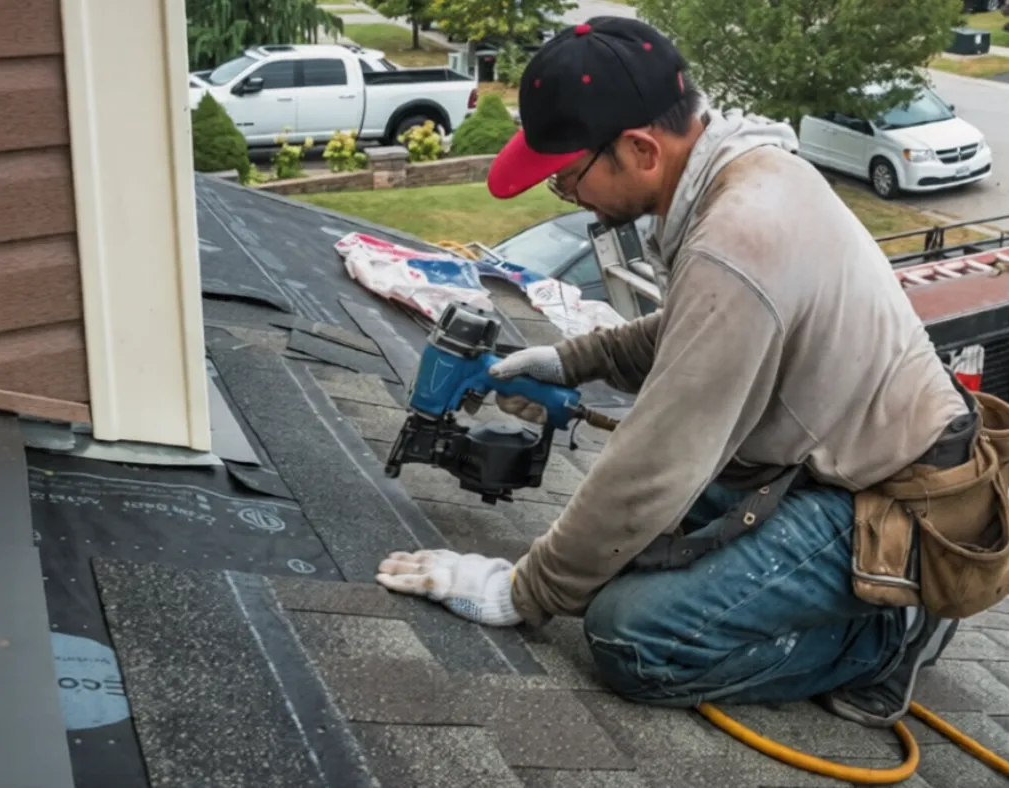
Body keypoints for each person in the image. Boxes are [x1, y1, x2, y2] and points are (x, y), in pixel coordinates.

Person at [374, 15, 976, 728]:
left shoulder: (738, 239)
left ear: (639, 149)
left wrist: (520, 593)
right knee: (620, 555)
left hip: (889, 500)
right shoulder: (743, 176)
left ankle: (876, 638)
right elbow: (693, 333)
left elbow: (656, 463)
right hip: (821, 461)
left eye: (567, 181)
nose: (571, 198)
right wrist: (574, 358)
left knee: (630, 634)